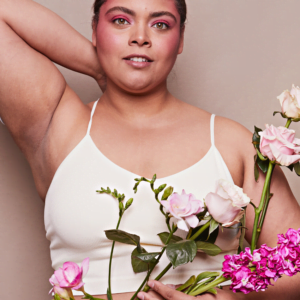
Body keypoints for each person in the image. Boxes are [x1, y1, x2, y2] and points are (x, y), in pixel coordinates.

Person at [1, 0, 300, 299]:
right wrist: (98, 66)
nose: (140, 37)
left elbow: (296, 267)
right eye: (120, 21)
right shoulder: (57, 125)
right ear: (95, 30)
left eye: (160, 24)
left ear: (180, 38)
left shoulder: (230, 143)